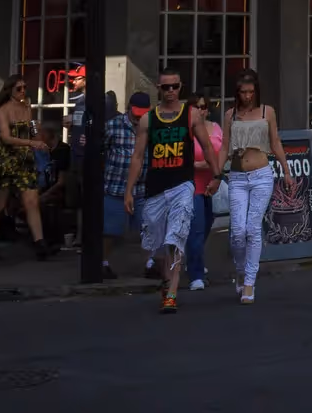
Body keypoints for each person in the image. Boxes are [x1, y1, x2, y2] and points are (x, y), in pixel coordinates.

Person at [123, 67, 223, 314]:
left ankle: (171, 294)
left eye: (174, 87)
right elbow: (137, 156)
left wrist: (217, 175)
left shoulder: (190, 116)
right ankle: (165, 279)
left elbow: (208, 148)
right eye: (165, 87)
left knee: (176, 239)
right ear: (158, 88)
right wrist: (128, 190)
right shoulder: (149, 119)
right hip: (156, 189)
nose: (170, 91)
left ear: (180, 87)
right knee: (155, 245)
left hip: (182, 186)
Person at [221, 68, 287, 305]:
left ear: (256, 91)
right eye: (242, 92)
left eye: (250, 92)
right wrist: (216, 175)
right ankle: (241, 270)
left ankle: (250, 281)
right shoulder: (231, 115)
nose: (247, 96)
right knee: (237, 232)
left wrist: (286, 171)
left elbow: (275, 141)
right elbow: (224, 146)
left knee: (252, 228)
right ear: (237, 93)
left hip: (261, 174)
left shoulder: (267, 112)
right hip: (238, 176)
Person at [0, 76, 52, 261]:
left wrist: (38, 140)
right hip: (7, 160)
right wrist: (30, 142)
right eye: (18, 88)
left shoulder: (26, 106)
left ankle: (40, 243)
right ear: (10, 90)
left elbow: (31, 129)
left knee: (31, 202)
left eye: (24, 87)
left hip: (25, 160)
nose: (23, 91)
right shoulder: (3, 110)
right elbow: (5, 137)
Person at [98, 92, 146, 281]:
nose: (138, 117)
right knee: (111, 230)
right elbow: (101, 148)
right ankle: (102, 263)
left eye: (142, 113)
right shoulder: (113, 125)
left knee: (147, 228)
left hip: (142, 188)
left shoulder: (148, 125)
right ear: (129, 107)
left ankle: (151, 264)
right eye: (136, 112)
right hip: (116, 186)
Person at [183, 92, 225, 292]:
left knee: (207, 225)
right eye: (197, 106)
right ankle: (196, 275)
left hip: (212, 184)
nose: (201, 110)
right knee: (197, 229)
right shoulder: (186, 130)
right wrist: (201, 164)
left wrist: (219, 169)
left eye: (204, 106)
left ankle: (192, 258)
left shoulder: (216, 128)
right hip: (193, 185)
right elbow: (181, 159)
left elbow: (223, 151)